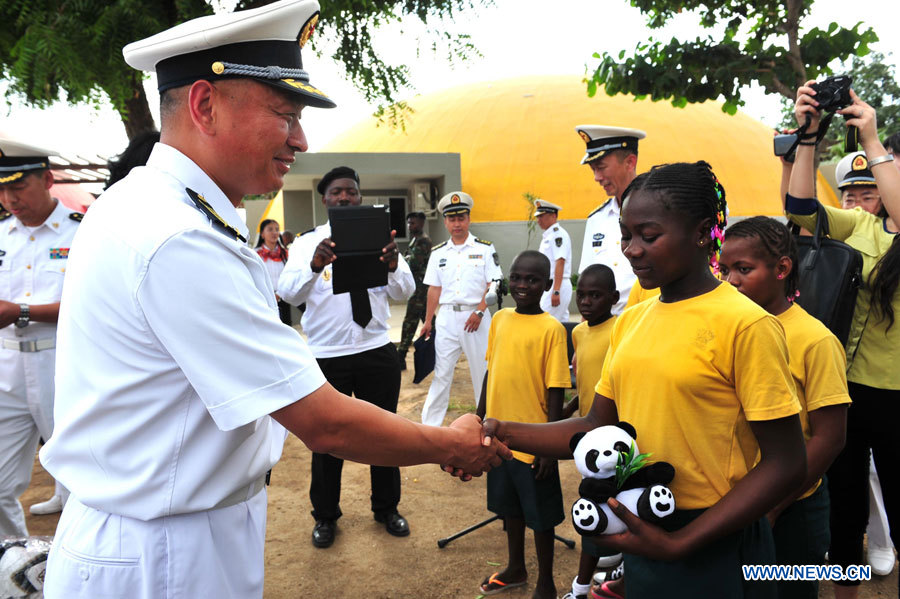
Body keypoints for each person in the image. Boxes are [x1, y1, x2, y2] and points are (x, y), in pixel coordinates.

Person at [38, 3, 509, 598]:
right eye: (285, 115)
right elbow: (323, 422)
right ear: (205, 106)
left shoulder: (156, 205)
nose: (301, 140)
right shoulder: (177, 236)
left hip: (174, 528)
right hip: (162, 553)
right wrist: (449, 442)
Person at [470, 161, 807, 599]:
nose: (631, 250)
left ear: (703, 232)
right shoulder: (632, 322)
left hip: (717, 538)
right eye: (626, 236)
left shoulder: (746, 325)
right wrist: (499, 430)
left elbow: (787, 463)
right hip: (644, 525)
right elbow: (594, 428)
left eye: (648, 236)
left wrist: (681, 542)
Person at [787, 82, 900, 599]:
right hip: (849, 390)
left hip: (896, 395)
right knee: (845, 509)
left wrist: (872, 137)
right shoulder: (862, 227)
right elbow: (800, 209)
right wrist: (809, 135)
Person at [277, 165, 415, 548]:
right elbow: (288, 294)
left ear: (359, 196)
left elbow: (405, 291)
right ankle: (325, 517)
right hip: (326, 356)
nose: (344, 198)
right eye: (336, 192)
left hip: (375, 349)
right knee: (326, 441)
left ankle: (387, 508)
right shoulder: (307, 244)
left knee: (385, 435)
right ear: (325, 199)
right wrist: (314, 265)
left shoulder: (379, 236)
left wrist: (391, 264)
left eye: (350, 192)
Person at [720, 216, 851, 599]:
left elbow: (829, 438)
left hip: (793, 507)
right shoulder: (731, 329)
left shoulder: (815, 340)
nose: (731, 281)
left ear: (781, 269)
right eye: (724, 270)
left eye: (744, 269)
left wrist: (773, 506)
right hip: (736, 501)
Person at [475, 250, 570, 599]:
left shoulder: (552, 329)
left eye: (532, 280)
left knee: (541, 518)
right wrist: (477, 416)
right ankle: (516, 567)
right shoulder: (500, 318)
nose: (522, 285)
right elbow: (491, 370)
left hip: (534, 443)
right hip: (498, 439)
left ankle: (546, 582)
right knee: (509, 509)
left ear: (547, 285)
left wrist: (551, 445)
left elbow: (556, 388)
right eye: (516, 278)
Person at [0, 138, 77, 531]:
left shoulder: (82, 233)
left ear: (47, 179)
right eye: (2, 189)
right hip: (7, 369)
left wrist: (21, 311)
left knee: (83, 474)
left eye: (17, 186)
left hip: (61, 365)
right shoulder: (1, 236)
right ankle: (12, 571)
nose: (9, 198)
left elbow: (93, 306)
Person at [559, 264, 621, 599]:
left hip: (613, 439)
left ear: (613, 297)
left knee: (596, 506)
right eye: (581, 294)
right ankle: (607, 570)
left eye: (595, 295)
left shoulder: (621, 330)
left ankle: (581, 587)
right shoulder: (579, 332)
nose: (586, 301)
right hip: (588, 436)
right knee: (600, 505)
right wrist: (568, 411)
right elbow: (586, 384)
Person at [419, 191, 502, 426]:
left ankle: (485, 423)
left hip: (476, 316)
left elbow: (493, 283)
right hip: (446, 318)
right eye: (452, 219)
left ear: (469, 219)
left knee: (482, 372)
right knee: (441, 373)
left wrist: (479, 311)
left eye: (461, 218)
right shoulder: (438, 253)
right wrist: (428, 321)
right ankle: (430, 427)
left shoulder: (484, 248)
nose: (457, 224)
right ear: (445, 222)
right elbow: (434, 289)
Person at [576, 125, 645, 314]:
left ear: (630, 162)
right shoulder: (596, 220)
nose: (597, 177)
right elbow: (587, 277)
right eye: (593, 169)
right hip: (604, 325)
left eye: (601, 167)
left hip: (646, 321)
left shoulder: (659, 210)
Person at [397, 210, 432, 369]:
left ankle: (401, 355)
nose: (410, 226)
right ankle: (442, 349)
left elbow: (413, 265)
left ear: (422, 223)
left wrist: (403, 261)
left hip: (420, 288)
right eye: (409, 223)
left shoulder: (423, 241)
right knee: (429, 320)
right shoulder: (415, 241)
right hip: (417, 287)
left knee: (410, 321)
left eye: (413, 223)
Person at [533, 199, 573, 322]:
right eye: (537, 217)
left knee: (543, 321)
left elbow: (560, 261)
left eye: (542, 216)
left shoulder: (557, 235)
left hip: (557, 285)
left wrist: (556, 291)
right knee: (560, 324)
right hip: (552, 284)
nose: (538, 220)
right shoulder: (549, 235)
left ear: (553, 216)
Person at [256, 218, 291, 325]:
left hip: (283, 297)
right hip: (264, 299)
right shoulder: (256, 254)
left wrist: (279, 294)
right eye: (270, 229)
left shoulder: (286, 254)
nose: (274, 233)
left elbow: (289, 275)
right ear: (262, 234)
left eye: (277, 229)